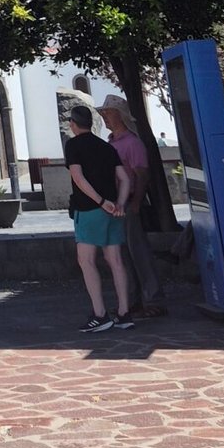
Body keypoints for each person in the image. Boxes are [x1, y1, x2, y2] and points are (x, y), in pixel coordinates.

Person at [65, 105, 134, 333]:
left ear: (73, 124)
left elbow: (78, 177)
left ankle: (100, 314)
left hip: (89, 210)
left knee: (86, 260)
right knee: (115, 260)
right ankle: (124, 312)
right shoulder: (107, 147)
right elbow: (124, 179)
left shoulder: (73, 145)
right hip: (113, 210)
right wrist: (119, 203)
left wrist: (100, 201)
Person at [100, 94, 167, 318]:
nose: (105, 117)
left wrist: (137, 202)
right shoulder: (112, 143)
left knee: (139, 252)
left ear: (120, 115)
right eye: (104, 113)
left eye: (108, 113)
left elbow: (142, 175)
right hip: (117, 204)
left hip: (129, 202)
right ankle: (134, 300)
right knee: (124, 255)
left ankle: (153, 299)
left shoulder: (132, 143)